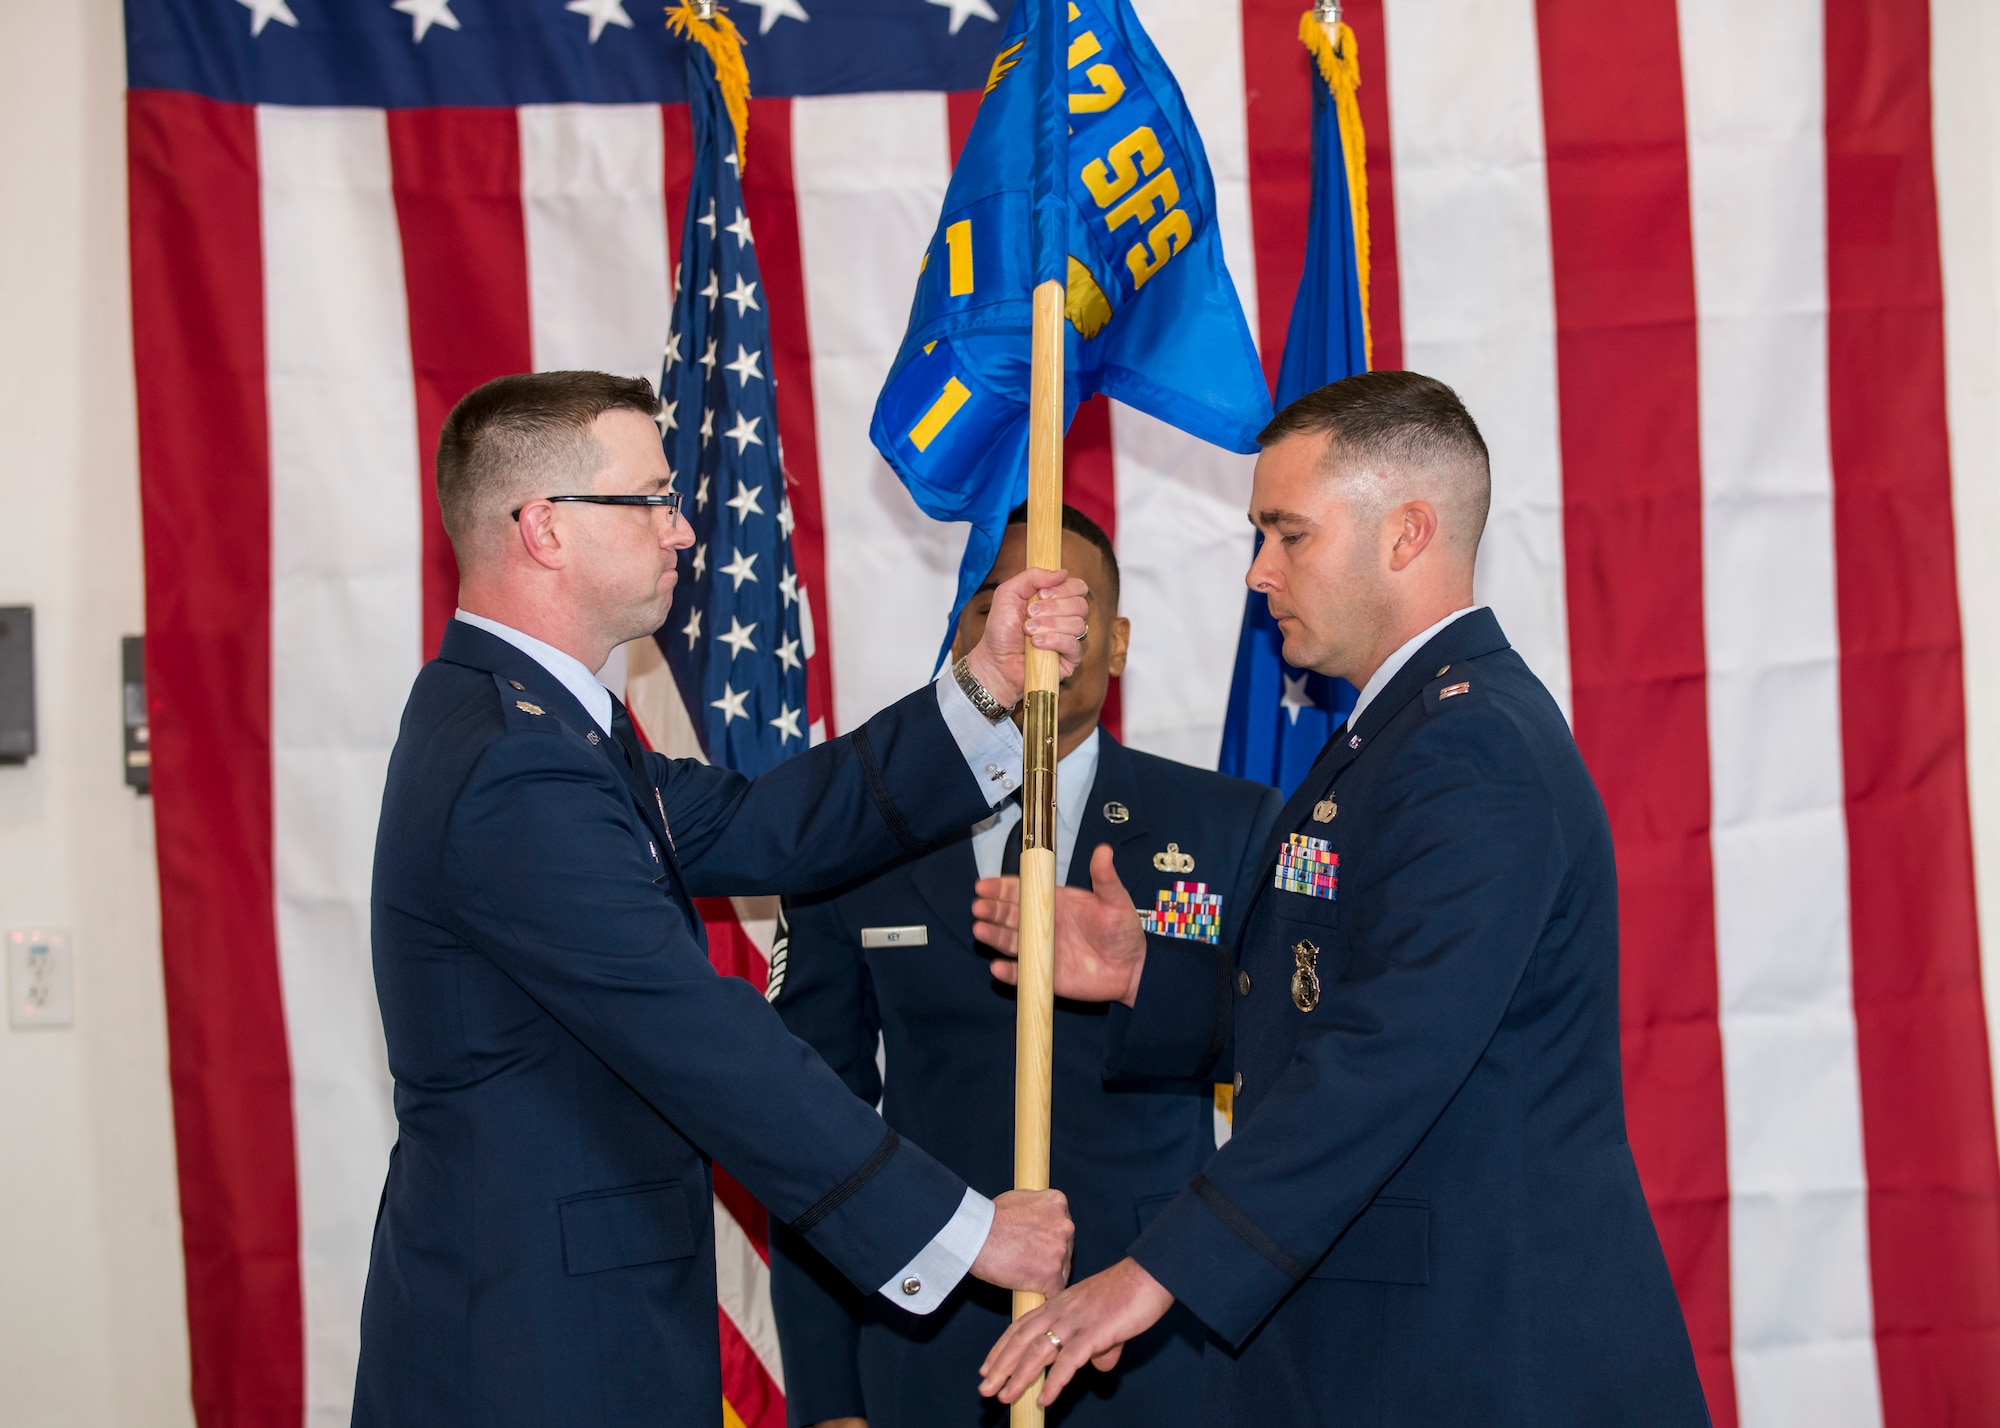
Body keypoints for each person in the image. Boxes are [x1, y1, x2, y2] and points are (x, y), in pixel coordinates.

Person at [972, 372, 1711, 1425]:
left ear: (1405, 533)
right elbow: (1327, 1000)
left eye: (1286, 534)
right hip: (1406, 1346)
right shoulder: (1397, 732)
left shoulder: (1470, 749)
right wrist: (1152, 976)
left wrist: (1157, 1270)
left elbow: (1385, 1050)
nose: (1258, 573)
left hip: (1487, 1354)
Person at [353, 370, 1082, 1428]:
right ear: (544, 528)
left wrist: (984, 684)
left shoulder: (544, 730)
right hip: (533, 1349)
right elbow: (701, 1038)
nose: (684, 530)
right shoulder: (516, 764)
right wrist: (963, 1233)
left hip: (562, 1318)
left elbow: (769, 824)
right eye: (649, 499)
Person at [767, 504, 1282, 1428]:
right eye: (1000, 603)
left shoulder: (1228, 827)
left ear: (1115, 643)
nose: (1038, 627)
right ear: (970, 635)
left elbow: (1295, 1066)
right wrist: (828, 1396)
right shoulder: (859, 839)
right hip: (923, 1345)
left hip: (1158, 1352)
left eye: (1068, 607)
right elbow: (807, 1125)